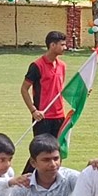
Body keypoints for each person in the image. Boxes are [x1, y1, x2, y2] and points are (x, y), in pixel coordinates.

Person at [19, 31, 67, 173]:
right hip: (43, 117)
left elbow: (60, 90)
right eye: (62, 45)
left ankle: (52, 178)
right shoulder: (37, 66)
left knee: (56, 152)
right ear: (52, 45)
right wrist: (33, 110)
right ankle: (26, 177)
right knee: (40, 152)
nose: (65, 47)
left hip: (59, 116)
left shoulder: (62, 66)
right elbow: (24, 89)